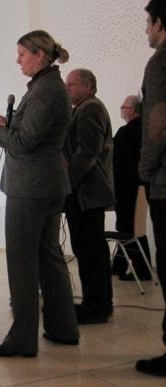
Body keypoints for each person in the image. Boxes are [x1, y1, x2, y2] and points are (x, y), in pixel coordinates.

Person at [0, 30, 79, 357]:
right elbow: (30, 135)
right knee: (48, 257)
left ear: (39, 55)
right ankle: (62, 328)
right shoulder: (47, 88)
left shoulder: (45, 91)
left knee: (22, 261)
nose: (18, 60)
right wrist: (6, 124)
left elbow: (23, 144)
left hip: (31, 187)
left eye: (22, 54)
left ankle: (22, 339)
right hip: (46, 184)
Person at [63, 69, 116, 325]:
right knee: (89, 249)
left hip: (85, 193)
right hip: (84, 192)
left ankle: (96, 306)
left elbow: (86, 153)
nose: (67, 88)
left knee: (90, 250)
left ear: (88, 86)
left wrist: (68, 183)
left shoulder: (90, 109)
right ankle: (98, 302)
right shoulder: (83, 108)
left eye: (71, 84)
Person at [136, 0, 166, 377]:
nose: (146, 30)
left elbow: (157, 125)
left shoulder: (160, 62)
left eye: (148, 22)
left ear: (160, 22)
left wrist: (144, 170)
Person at [112, 95, 152, 281]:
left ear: (133, 110)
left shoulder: (126, 132)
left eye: (124, 106)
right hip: (140, 187)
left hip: (125, 188)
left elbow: (113, 159)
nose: (121, 108)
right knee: (133, 228)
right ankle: (119, 265)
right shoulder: (145, 130)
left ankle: (141, 270)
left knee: (125, 228)